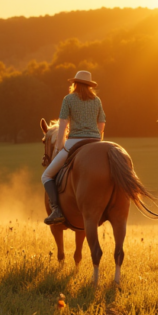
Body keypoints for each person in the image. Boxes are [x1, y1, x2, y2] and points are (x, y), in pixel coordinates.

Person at [42, 70, 106, 225]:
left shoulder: (68, 99)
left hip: (73, 143)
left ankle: (56, 210)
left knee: (46, 176)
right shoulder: (96, 101)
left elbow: (63, 124)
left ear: (75, 84)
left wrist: (58, 147)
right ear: (90, 86)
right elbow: (102, 125)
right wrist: (97, 139)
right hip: (95, 141)